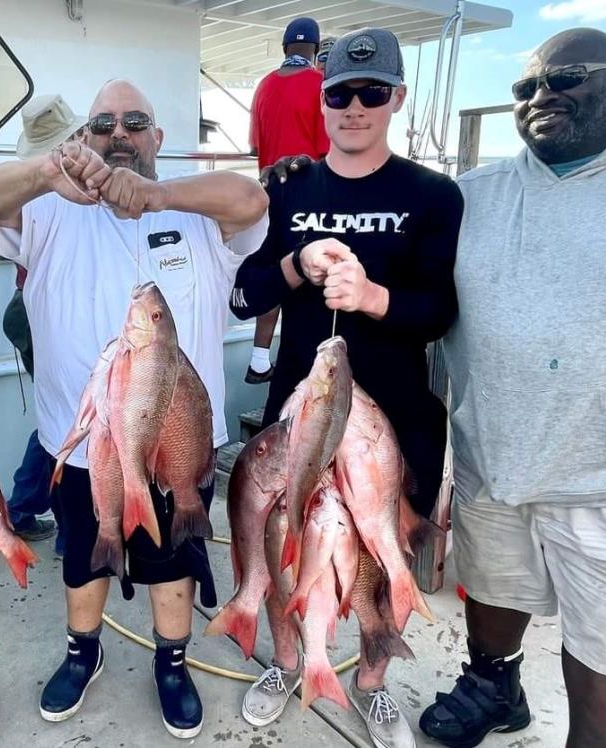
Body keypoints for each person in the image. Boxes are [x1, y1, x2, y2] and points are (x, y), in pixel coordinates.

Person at [420, 28, 606, 748]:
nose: (543, 97)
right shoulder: (473, 194)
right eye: (526, 88)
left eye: (567, 78)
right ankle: (494, 687)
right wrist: (292, 188)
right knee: (491, 590)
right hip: (497, 459)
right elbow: (392, 255)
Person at [0, 79, 268, 739]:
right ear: (84, 139)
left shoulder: (198, 214)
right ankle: (84, 651)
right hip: (83, 444)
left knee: (173, 560)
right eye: (102, 124)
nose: (119, 134)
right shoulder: (50, 209)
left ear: (158, 138)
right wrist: (49, 171)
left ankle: (172, 662)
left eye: (136, 121)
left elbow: (252, 198)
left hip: (179, 440)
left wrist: (158, 194)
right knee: (84, 554)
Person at [230, 28, 463, 748]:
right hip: (295, 422)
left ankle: (369, 681)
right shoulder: (288, 186)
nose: (353, 107)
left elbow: (443, 311)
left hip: (393, 419)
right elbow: (245, 295)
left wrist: (372, 298)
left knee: (378, 549)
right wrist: (297, 263)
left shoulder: (434, 195)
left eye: (370, 93)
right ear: (322, 98)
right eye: (339, 94)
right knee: (277, 541)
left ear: (396, 98)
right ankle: (291, 660)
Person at [5, 94, 88, 547]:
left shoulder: (33, 186)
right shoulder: (56, 189)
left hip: (27, 311)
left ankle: (25, 509)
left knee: (63, 411)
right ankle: (54, 522)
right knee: (68, 413)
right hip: (39, 314)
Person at [245, 16, 330, 386]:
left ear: (284, 49)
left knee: (275, 273)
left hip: (267, 195)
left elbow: (254, 147)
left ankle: (259, 359)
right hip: (309, 194)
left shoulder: (263, 85)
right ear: (315, 49)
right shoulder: (320, 84)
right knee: (309, 278)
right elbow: (329, 151)